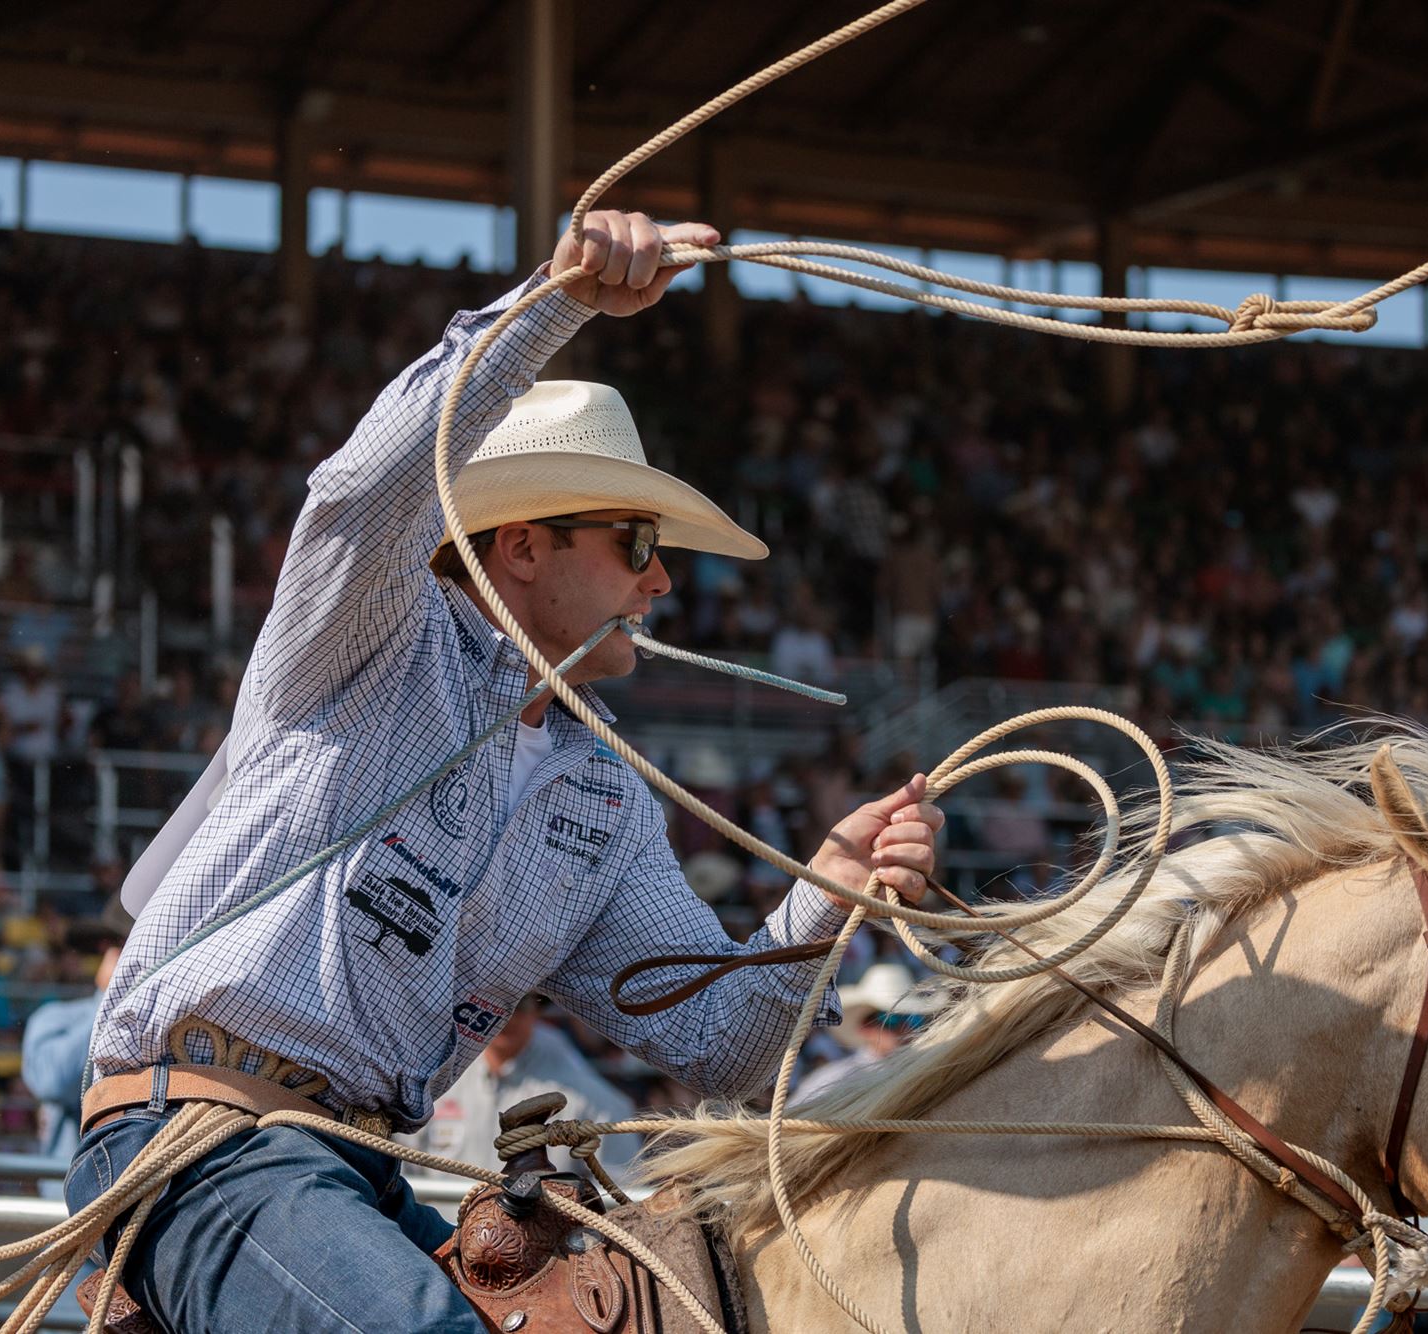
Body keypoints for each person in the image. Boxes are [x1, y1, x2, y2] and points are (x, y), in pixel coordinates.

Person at [73, 211, 945, 1333]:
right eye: (634, 539)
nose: (660, 580)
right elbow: (357, 496)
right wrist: (555, 303)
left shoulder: (605, 793)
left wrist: (826, 885)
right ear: (520, 546)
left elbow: (721, 1041)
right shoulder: (372, 635)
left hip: (340, 1167)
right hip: (198, 1137)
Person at [403, 995, 642, 1185]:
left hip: (540, 1243)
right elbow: (403, 1167)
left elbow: (619, 1184)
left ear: (537, 1010)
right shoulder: (438, 1080)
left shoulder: (584, 1095)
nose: (507, 1017)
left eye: (520, 1004)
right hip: (436, 1239)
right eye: (493, 1005)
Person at [21, 901, 131, 1178]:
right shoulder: (53, 1019)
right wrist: (114, 998)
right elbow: (53, 1081)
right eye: (124, 945)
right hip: (66, 1196)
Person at [794, 962, 938, 1102]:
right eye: (892, 1019)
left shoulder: (926, 1076)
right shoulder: (833, 1081)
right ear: (866, 1027)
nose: (905, 1027)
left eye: (914, 1019)